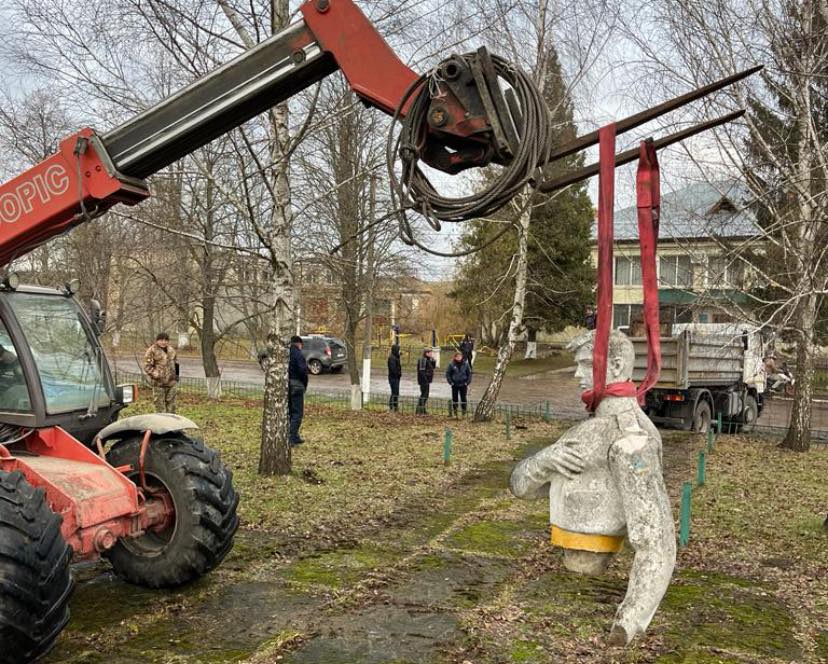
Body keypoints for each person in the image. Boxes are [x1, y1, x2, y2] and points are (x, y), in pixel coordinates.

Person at [510, 330, 675, 647]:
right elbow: (521, 487)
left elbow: (657, 542)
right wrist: (545, 460)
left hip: (588, 585)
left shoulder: (630, 441)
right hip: (570, 581)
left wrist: (627, 624)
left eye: (586, 364)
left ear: (614, 366)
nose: (576, 374)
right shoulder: (592, 431)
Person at [143, 332, 179, 413]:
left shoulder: (171, 350)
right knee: (160, 406)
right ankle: (161, 424)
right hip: (159, 383)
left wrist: (177, 375)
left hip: (171, 382)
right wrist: (155, 374)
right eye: (161, 340)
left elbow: (176, 363)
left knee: (171, 406)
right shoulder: (152, 350)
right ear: (157, 340)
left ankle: (171, 423)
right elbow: (147, 366)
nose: (164, 342)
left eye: (166, 340)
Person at [288, 335, 308, 447]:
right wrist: (304, 384)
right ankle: (291, 438)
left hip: (287, 385)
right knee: (297, 414)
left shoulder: (285, 353)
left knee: (290, 412)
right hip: (297, 385)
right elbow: (302, 371)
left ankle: (295, 436)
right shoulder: (298, 354)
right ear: (299, 344)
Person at [446, 351, 472, 416]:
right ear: (455, 357)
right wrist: (451, 382)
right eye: (457, 356)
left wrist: (467, 382)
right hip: (455, 384)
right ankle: (455, 411)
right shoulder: (451, 364)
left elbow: (469, 374)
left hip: (463, 384)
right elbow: (448, 374)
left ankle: (464, 411)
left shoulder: (466, 364)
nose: (459, 358)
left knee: (463, 398)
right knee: (455, 398)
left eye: (460, 356)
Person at [416, 348, 436, 414]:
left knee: (425, 395)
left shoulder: (428, 360)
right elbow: (421, 371)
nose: (431, 354)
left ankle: (422, 409)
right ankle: (419, 410)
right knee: (424, 395)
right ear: (426, 353)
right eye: (430, 353)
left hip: (427, 381)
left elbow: (433, 367)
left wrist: (433, 360)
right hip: (424, 381)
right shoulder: (423, 360)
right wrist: (426, 380)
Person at [387, 345, 402, 412]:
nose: (399, 351)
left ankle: (395, 406)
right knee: (394, 392)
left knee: (396, 392)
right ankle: (392, 406)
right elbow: (393, 369)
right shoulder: (392, 358)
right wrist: (398, 374)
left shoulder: (395, 357)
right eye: (398, 350)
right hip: (393, 378)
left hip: (396, 378)